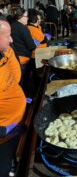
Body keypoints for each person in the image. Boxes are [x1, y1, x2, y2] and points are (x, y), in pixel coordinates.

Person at [0, 17, 26, 177]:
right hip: (5, 132)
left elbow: (15, 77)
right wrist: (2, 130)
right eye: (7, 35)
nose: (11, 39)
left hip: (17, 122)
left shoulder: (3, 52)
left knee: (13, 157)